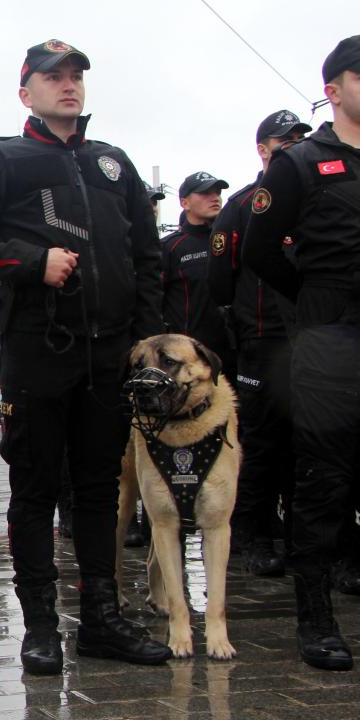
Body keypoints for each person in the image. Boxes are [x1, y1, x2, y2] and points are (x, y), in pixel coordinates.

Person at [0, 39, 170, 675]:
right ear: (26, 93)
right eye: (53, 77)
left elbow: (147, 259)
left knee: (98, 489)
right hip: (38, 346)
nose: (67, 85)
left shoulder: (112, 163)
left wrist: (146, 342)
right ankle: (41, 625)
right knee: (35, 487)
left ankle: (101, 619)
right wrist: (31, 261)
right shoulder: (3, 159)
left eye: (75, 76)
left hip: (109, 352)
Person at [244, 35, 360, 672]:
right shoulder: (300, 164)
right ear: (333, 90)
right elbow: (260, 251)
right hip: (331, 340)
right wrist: (317, 298)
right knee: (321, 484)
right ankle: (315, 617)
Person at [209, 110, 311, 578]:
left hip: (314, 335)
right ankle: (252, 534)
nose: (292, 146)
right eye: (283, 140)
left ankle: (308, 537)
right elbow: (220, 279)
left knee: (311, 442)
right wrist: (243, 326)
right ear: (263, 148)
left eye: (298, 139)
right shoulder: (243, 205)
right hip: (262, 339)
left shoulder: (317, 197)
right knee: (261, 443)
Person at [160, 171, 235, 380]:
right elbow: (153, 299)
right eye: (205, 193)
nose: (215, 198)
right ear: (185, 202)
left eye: (217, 192)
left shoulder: (231, 239)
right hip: (190, 355)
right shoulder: (170, 247)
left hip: (234, 349)